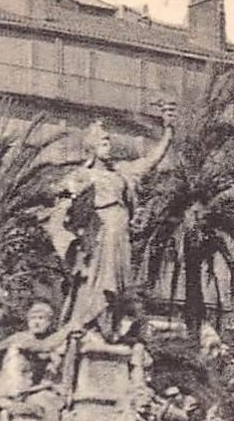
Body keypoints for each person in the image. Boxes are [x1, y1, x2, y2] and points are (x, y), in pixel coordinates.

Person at [51, 109, 174, 336]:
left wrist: (168, 133)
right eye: (104, 142)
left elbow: (150, 162)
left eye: (109, 142)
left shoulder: (122, 172)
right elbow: (62, 204)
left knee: (118, 285)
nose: (109, 146)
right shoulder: (82, 175)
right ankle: (91, 326)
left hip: (120, 234)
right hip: (99, 233)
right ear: (93, 148)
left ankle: (111, 329)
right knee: (96, 284)